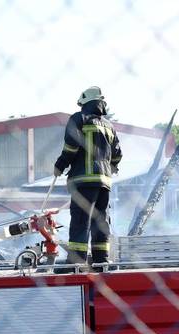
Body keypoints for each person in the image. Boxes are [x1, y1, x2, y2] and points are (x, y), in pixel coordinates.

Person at [53, 86, 122, 268]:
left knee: (80, 221)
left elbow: (71, 147)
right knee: (100, 221)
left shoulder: (78, 118)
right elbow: (117, 155)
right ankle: (101, 261)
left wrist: (60, 165)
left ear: (84, 103)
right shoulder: (109, 126)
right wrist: (110, 166)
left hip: (83, 181)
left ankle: (77, 262)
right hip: (104, 184)